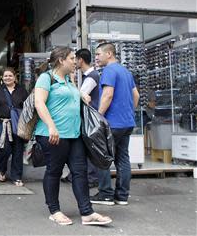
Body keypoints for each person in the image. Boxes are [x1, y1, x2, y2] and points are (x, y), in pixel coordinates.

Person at [34, 46, 112, 226]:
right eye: (71, 59)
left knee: (80, 172)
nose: (75, 62)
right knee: (54, 171)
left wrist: (82, 95)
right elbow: (39, 103)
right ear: (61, 60)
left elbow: (71, 97)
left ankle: (87, 212)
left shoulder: (69, 79)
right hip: (53, 134)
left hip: (74, 134)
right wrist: (51, 126)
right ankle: (54, 210)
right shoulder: (46, 78)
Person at [91, 42, 140, 206]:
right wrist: (128, 112)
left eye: (98, 54)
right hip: (127, 123)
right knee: (123, 159)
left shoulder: (109, 71)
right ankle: (122, 196)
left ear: (109, 54)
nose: (96, 58)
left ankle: (105, 194)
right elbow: (136, 95)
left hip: (112, 123)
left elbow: (107, 95)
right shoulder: (125, 71)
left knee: (102, 157)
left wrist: (98, 118)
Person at [64, 48, 100, 188]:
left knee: (89, 146)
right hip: (89, 116)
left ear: (81, 60)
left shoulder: (91, 77)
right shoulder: (89, 75)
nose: (74, 62)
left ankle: (91, 178)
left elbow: (80, 96)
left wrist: (72, 81)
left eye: (74, 59)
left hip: (91, 117)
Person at [0, 67, 28, 187]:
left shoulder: (22, 90)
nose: (7, 78)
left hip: (18, 124)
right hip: (1, 123)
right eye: (5, 76)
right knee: (4, 149)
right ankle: (2, 170)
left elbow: (27, 107)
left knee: (18, 149)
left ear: (15, 77)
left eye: (10, 75)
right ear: (2, 78)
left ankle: (17, 177)